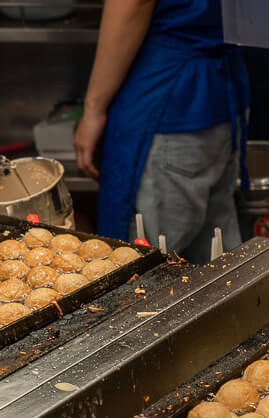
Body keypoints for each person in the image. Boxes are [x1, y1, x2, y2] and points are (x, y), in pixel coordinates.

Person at [73, 0, 249, 263]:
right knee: (212, 262)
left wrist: (93, 108)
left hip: (168, 99)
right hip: (216, 93)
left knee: (147, 267)